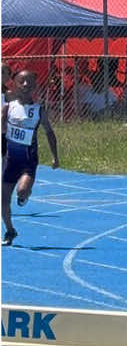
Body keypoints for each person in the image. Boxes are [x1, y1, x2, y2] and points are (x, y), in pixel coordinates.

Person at [2, 68, 59, 245]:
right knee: (3, 201)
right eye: (22, 81)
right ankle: (10, 231)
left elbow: (49, 133)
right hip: (10, 160)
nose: (26, 85)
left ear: (35, 86)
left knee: (22, 190)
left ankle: (24, 195)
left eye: (29, 82)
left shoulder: (39, 110)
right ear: (15, 85)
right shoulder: (8, 108)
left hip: (28, 160)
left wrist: (55, 157)